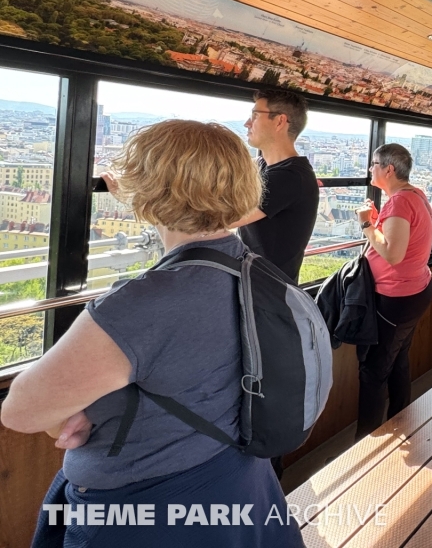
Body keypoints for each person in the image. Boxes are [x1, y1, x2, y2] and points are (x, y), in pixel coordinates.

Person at [2, 120, 301, 547]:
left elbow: (19, 411)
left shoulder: (143, 304)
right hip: (244, 484)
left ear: (148, 193)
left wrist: (71, 417)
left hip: (149, 514)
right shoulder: (256, 272)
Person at [354, 143, 432, 439]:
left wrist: (366, 223)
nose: (370, 169)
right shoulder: (415, 195)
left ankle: (365, 444)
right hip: (414, 292)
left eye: (374, 164)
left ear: (389, 169)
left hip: (396, 298)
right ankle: (401, 421)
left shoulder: (399, 201)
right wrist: (377, 223)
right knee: (398, 359)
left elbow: (392, 254)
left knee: (373, 372)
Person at [234, 89, 319, 283]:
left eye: (255, 116)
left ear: (280, 121)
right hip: (255, 280)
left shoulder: (291, 176)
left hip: (270, 290)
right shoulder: (263, 166)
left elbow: (230, 217)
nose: (247, 123)